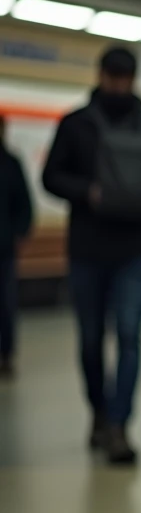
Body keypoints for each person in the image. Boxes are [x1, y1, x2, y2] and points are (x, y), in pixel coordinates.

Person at [42, 46, 141, 465]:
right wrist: (87, 192)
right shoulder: (76, 125)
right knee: (90, 339)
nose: (120, 86)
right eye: (114, 78)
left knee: (127, 334)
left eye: (126, 79)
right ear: (101, 75)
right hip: (88, 247)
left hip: (135, 249)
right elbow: (50, 176)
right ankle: (100, 413)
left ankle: (120, 425)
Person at [0, 115, 33, 378]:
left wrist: (20, 232)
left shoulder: (10, 164)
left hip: (4, 246)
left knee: (6, 304)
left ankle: (6, 354)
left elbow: (24, 204)